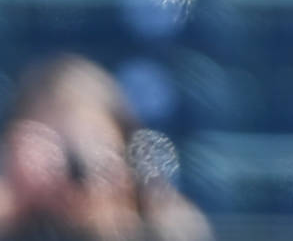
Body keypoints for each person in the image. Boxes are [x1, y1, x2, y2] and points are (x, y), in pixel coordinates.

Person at [0, 54, 211, 241]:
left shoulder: (156, 216)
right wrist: (14, 199)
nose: (66, 167)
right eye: (48, 145)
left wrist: (113, 219)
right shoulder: (14, 210)